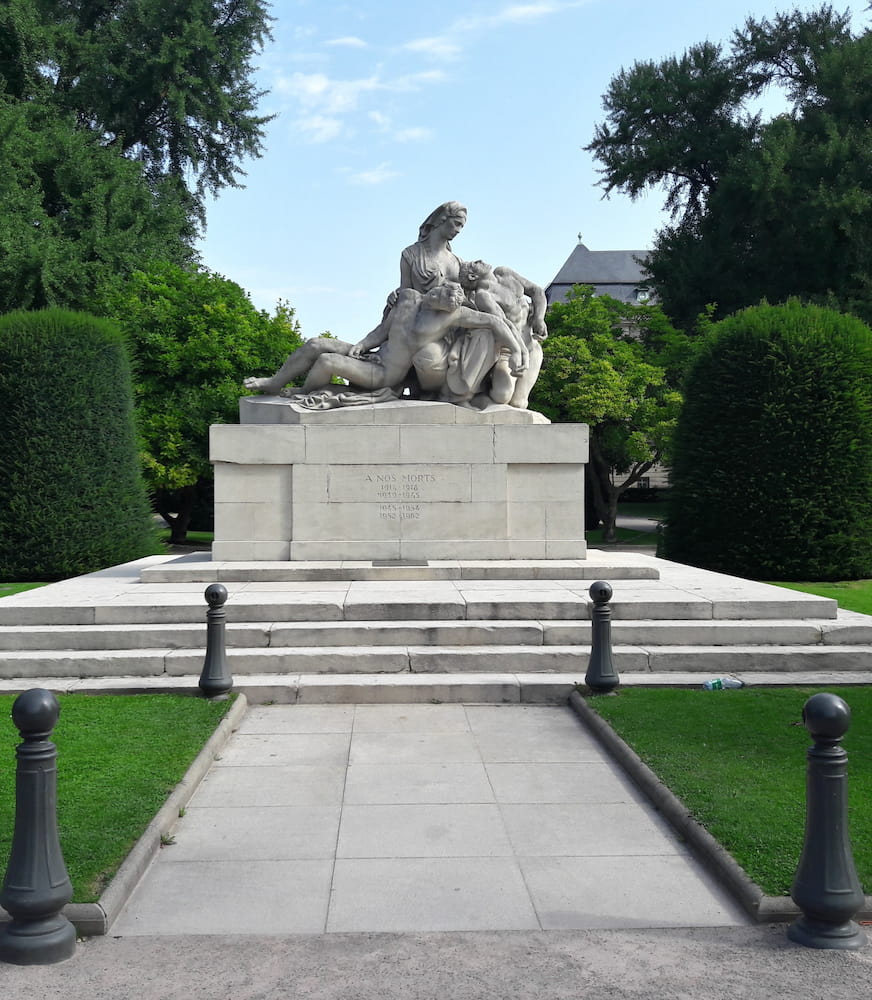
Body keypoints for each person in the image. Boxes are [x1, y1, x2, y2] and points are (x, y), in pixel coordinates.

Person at [243, 282, 527, 398]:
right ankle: (275, 382)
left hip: (385, 373)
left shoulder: (452, 316)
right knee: (316, 344)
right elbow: (383, 330)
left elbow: (494, 321)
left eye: (442, 300)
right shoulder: (409, 298)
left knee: (327, 361)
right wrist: (362, 344)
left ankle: (304, 392)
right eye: (439, 292)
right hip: (374, 354)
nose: (436, 296)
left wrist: (516, 350)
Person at [456, 260, 548, 408]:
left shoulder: (504, 273)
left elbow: (537, 291)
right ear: (473, 276)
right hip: (508, 351)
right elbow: (506, 325)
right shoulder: (483, 296)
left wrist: (539, 318)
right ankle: (478, 396)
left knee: (519, 403)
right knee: (502, 396)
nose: (480, 261)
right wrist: (520, 352)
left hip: (532, 346)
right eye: (474, 264)